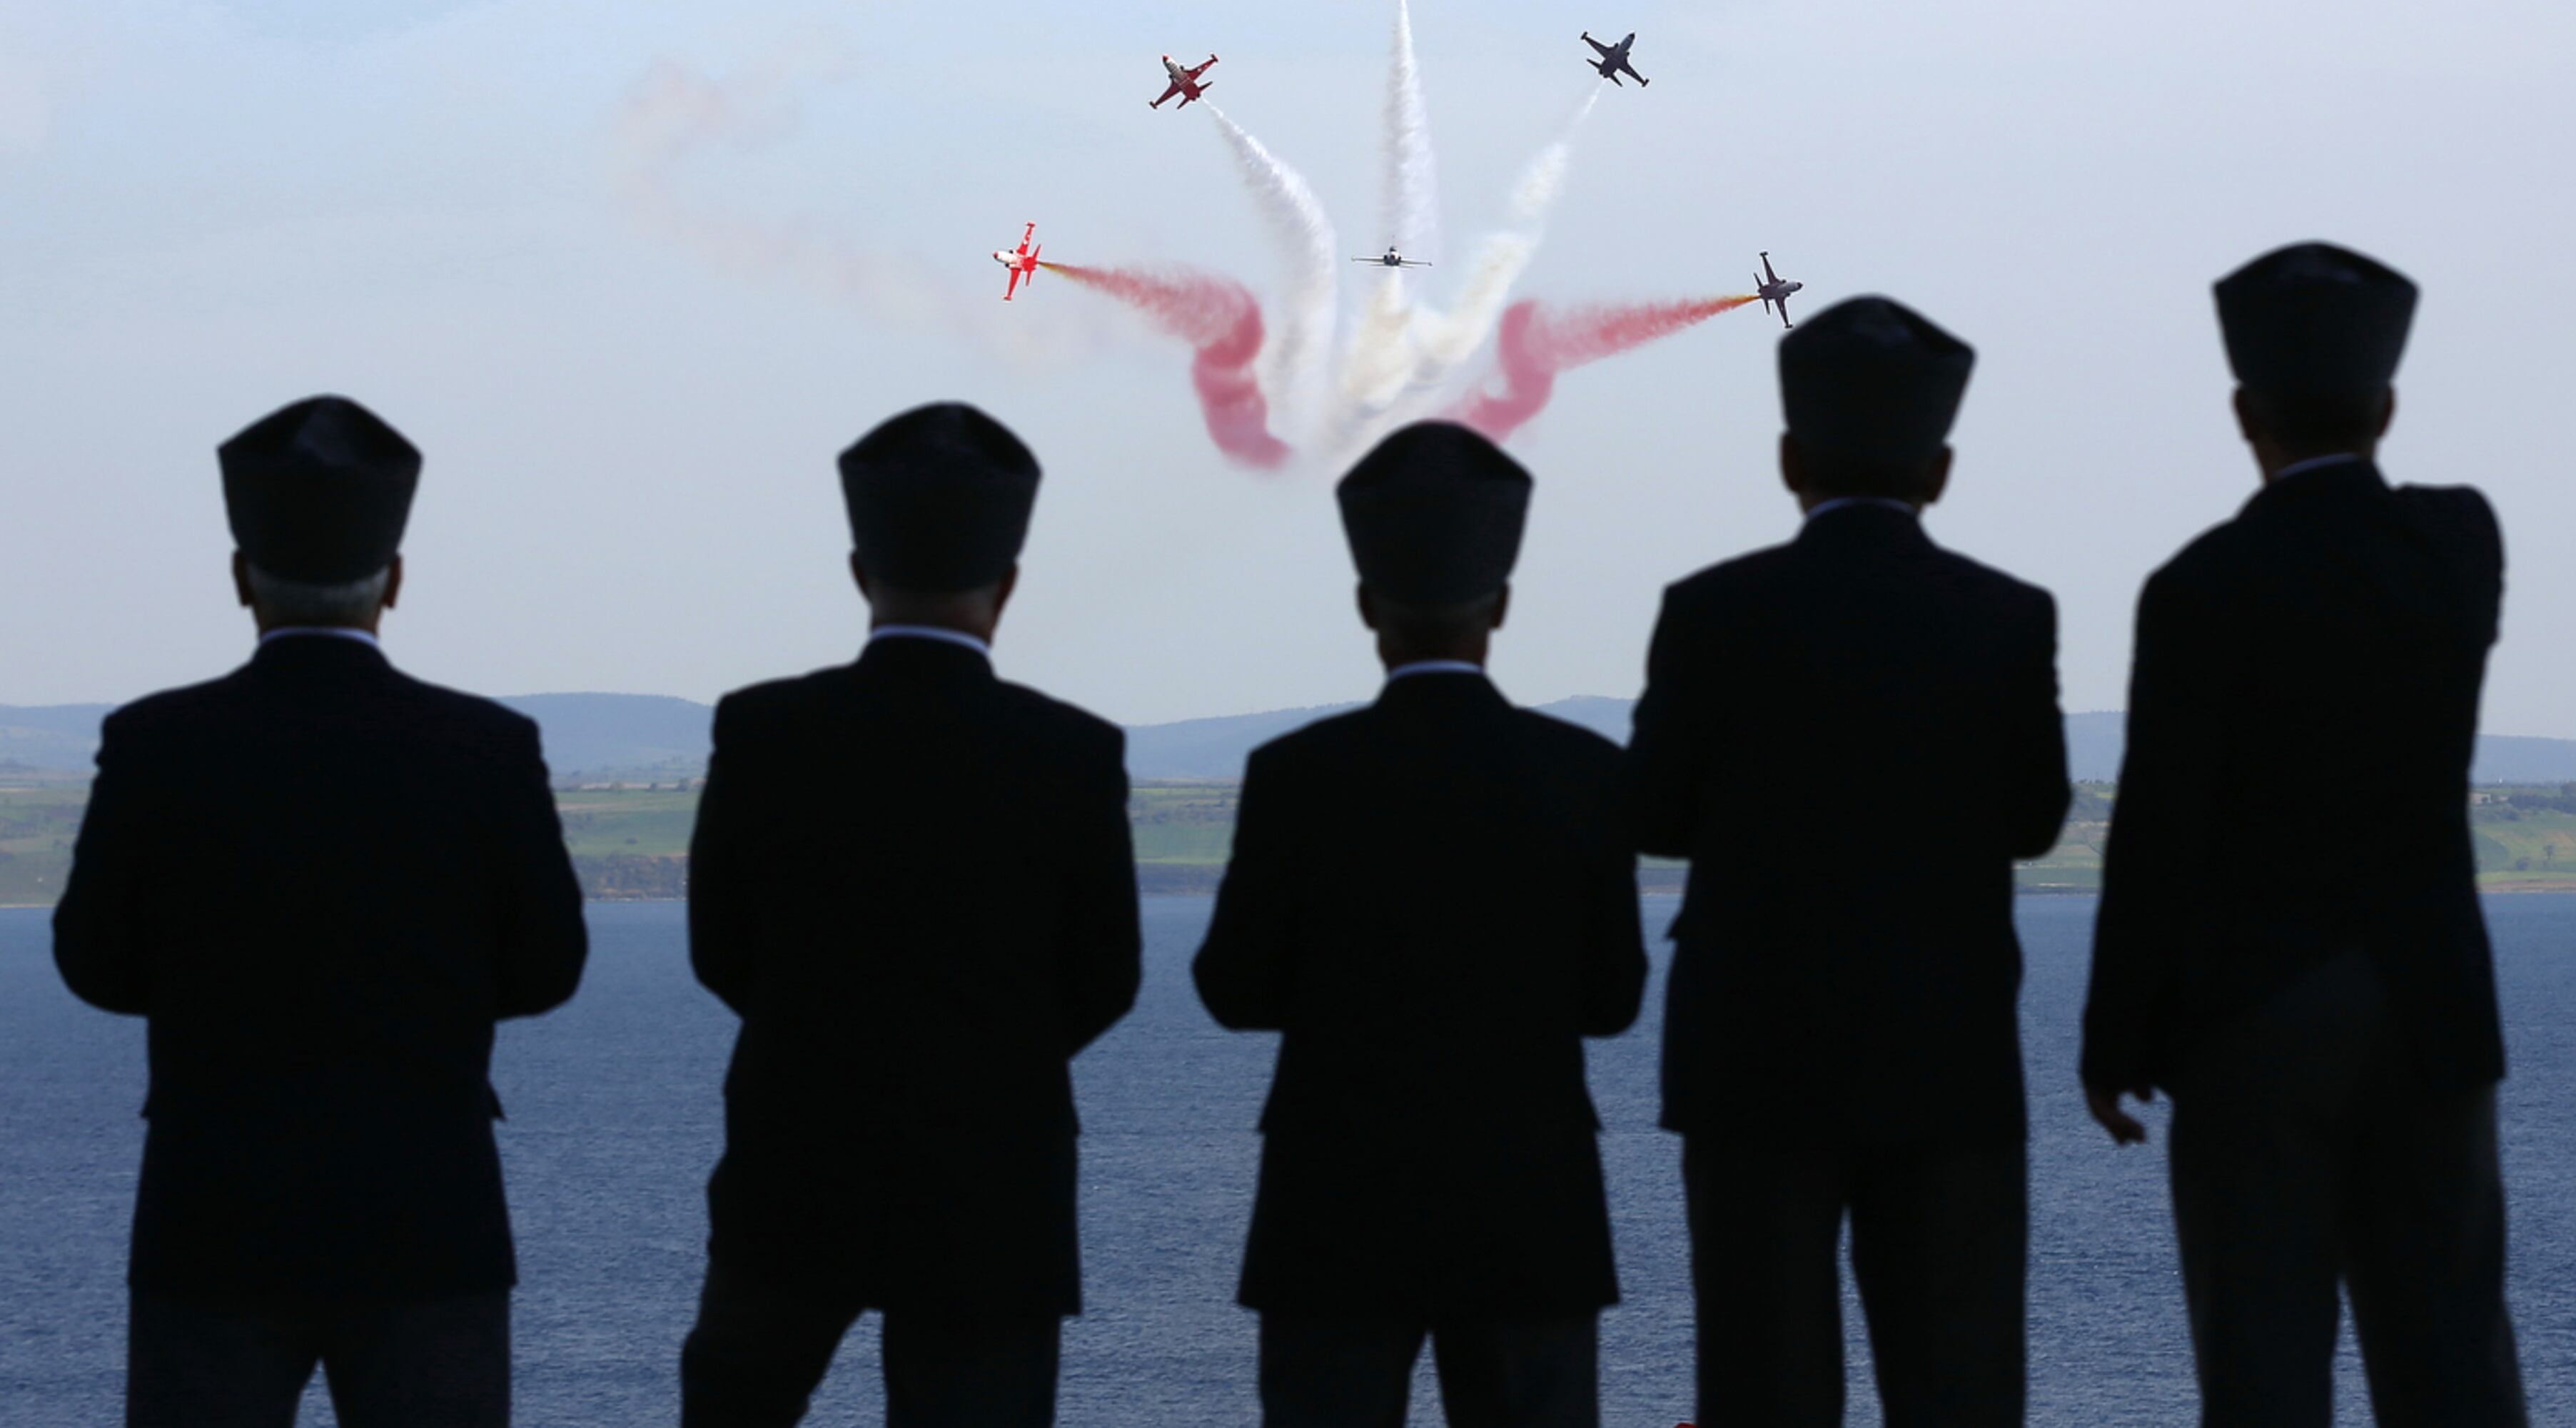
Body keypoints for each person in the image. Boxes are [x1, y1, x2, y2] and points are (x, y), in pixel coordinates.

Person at [53, 394, 588, 1428]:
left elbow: (93, 963)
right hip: (429, 1210)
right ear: (395, 580)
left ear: (241, 577)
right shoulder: (487, 746)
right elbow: (547, 968)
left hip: (213, 1208)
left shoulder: (156, 741)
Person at [2081, 244, 2527, 1426]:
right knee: (2455, 1365)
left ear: (2245, 414)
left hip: (2251, 1013)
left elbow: (2157, 827)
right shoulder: (2455, 543)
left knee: (2263, 1371)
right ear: (2387, 406)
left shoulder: (2197, 587)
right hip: (2429, 999)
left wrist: (2113, 1034)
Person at [1625, 298, 2071, 1428]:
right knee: (1959, 1387)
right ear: (1941, 469)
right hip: (1949, 1051)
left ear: (1790, 459)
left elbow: (1654, 812)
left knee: (1763, 1386)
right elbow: (2033, 820)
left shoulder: (1710, 610)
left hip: (1753, 1056)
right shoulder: (2009, 616)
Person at [680, 402, 1141, 1428]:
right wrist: (994, 1060)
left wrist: (817, 1038)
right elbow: (1106, 979)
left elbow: (721, 951)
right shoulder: (1073, 752)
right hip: (994, 1177)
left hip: (793, 1158)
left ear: (860, 571)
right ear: (1008, 584)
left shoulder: (762, 730)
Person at [1193, 420, 1648, 1428]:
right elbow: (1612, 1000)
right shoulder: (1582, 773)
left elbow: (1232, 989)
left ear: (1367, 605)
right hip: (1530, 1203)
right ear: (1502, 605)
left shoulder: (1295, 775)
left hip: (1333, 1204)